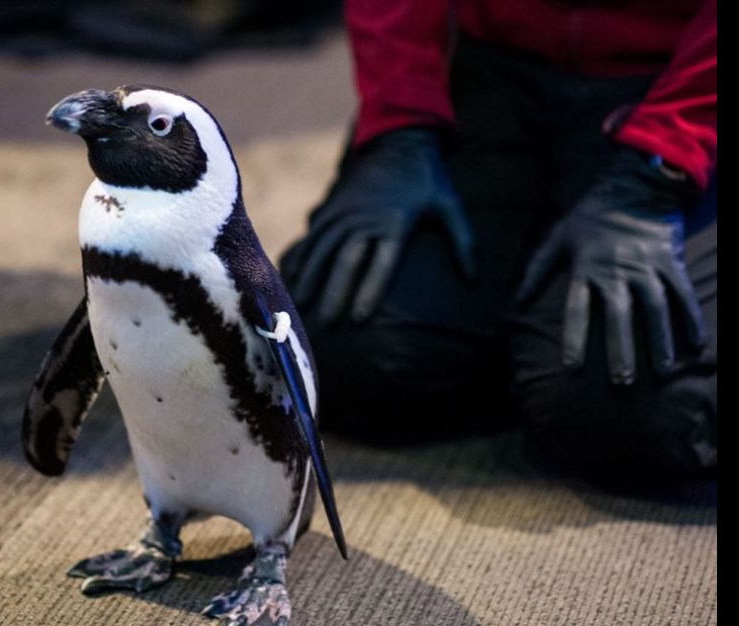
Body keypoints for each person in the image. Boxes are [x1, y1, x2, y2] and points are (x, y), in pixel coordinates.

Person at [281, 0, 717, 483]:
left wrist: (657, 172)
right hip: (491, 66)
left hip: (685, 87)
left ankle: (531, 347)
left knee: (634, 418)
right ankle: (515, 331)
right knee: (341, 361)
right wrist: (399, 126)